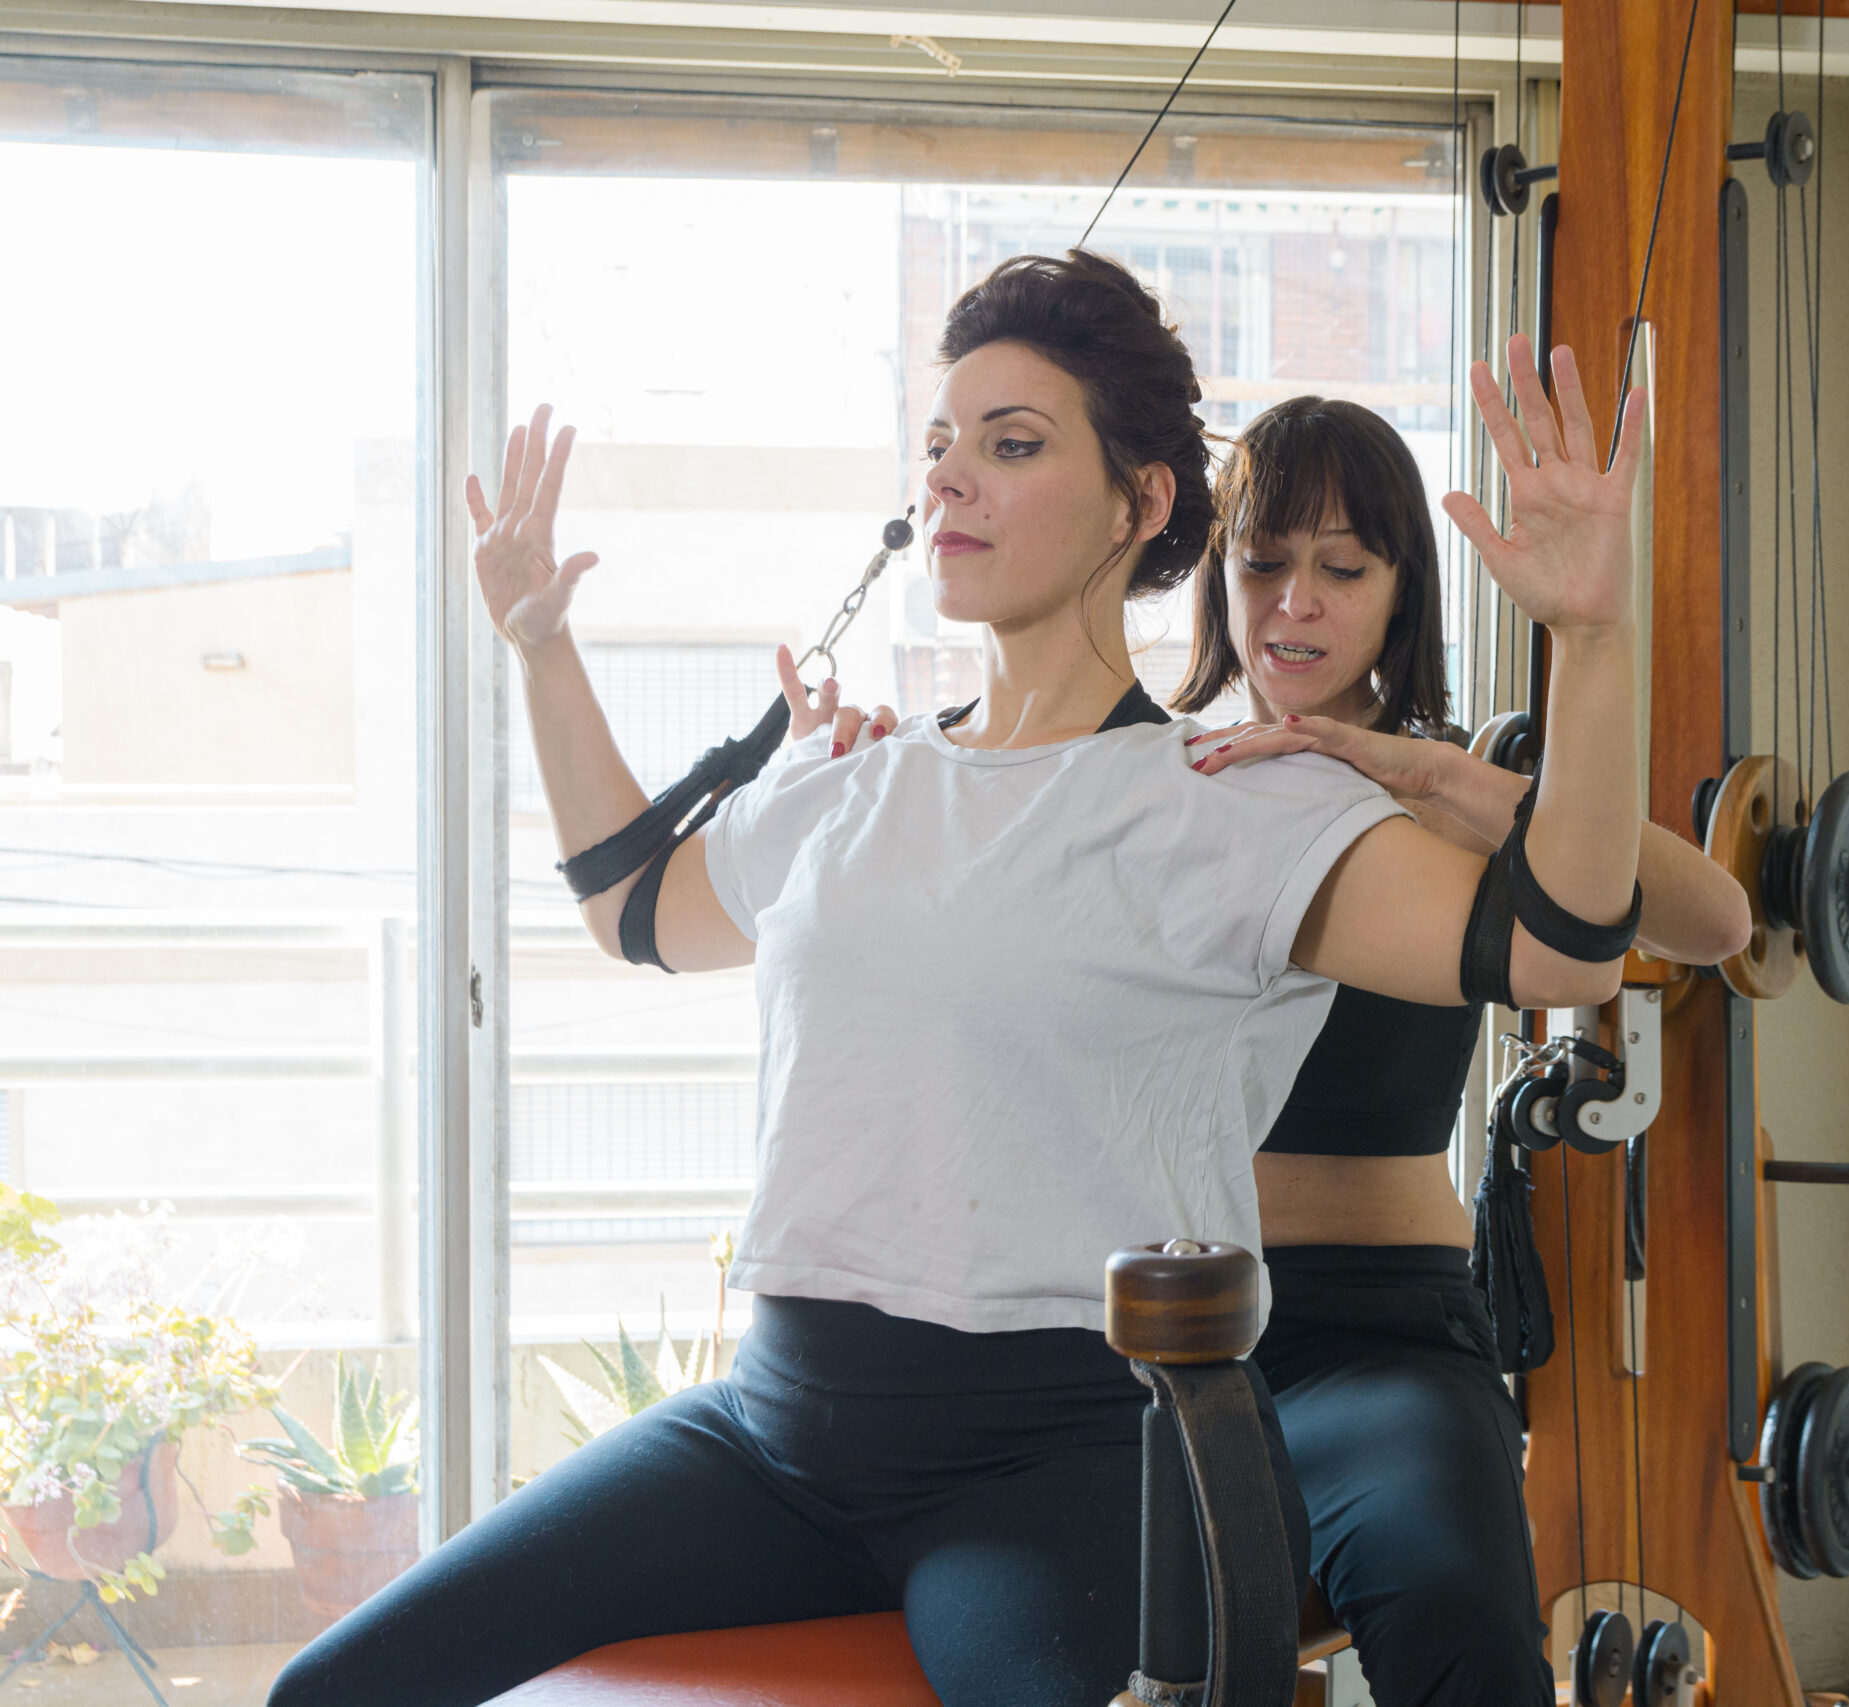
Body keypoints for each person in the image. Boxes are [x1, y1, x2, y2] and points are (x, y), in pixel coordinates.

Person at [266, 254, 1648, 1707]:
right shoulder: (853, 782)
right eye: (940, 445)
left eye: (1014, 444)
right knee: (330, 1692)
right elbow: (633, 905)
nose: (953, 484)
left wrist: (1595, 644)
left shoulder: (1232, 800)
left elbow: (1562, 940)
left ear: (1141, 503)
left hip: (1061, 1458)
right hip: (774, 1431)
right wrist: (543, 647)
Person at [1178, 396, 1752, 1706]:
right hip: (1155, 1329)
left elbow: (1715, 920)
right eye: (1262, 561)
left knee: (1459, 1627)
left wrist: (1417, 773)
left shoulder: (1470, 779)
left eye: (1343, 567)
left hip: (1381, 1335)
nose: (1294, 604)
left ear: (1400, 589)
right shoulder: (1151, 774)